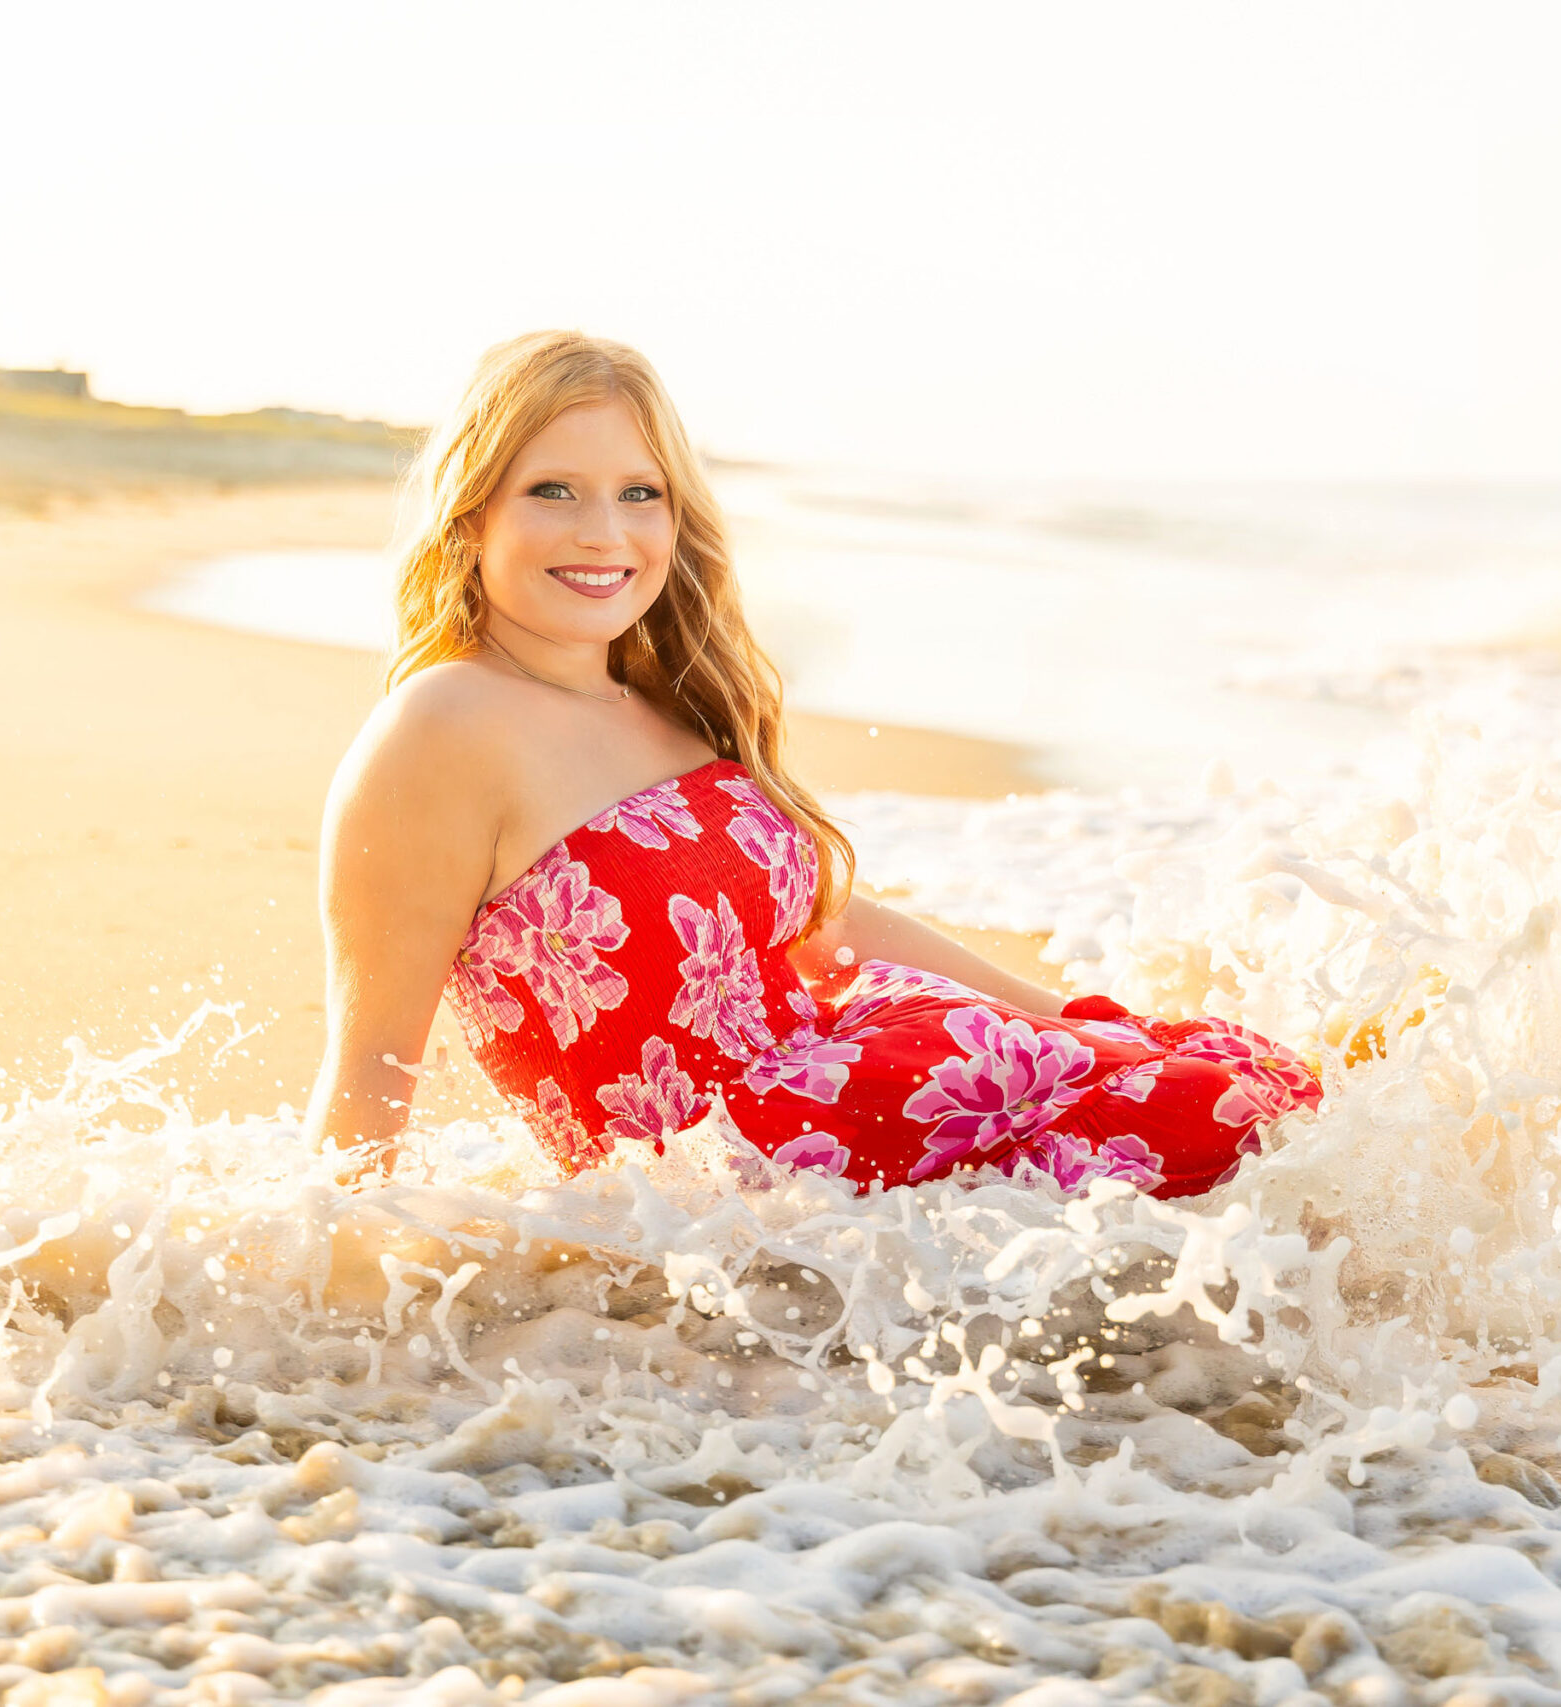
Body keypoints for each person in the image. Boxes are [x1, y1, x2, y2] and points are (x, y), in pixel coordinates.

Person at [304, 331, 1322, 1196]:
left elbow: (822, 930)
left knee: (1228, 1072)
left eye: (639, 492)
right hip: (754, 1193)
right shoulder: (439, 729)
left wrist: (1069, 1014)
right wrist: (330, 1327)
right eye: (553, 490)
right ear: (472, 513)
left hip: (876, 1086)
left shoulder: (665, 704)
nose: (603, 533)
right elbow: (371, 1068)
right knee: (1223, 1119)